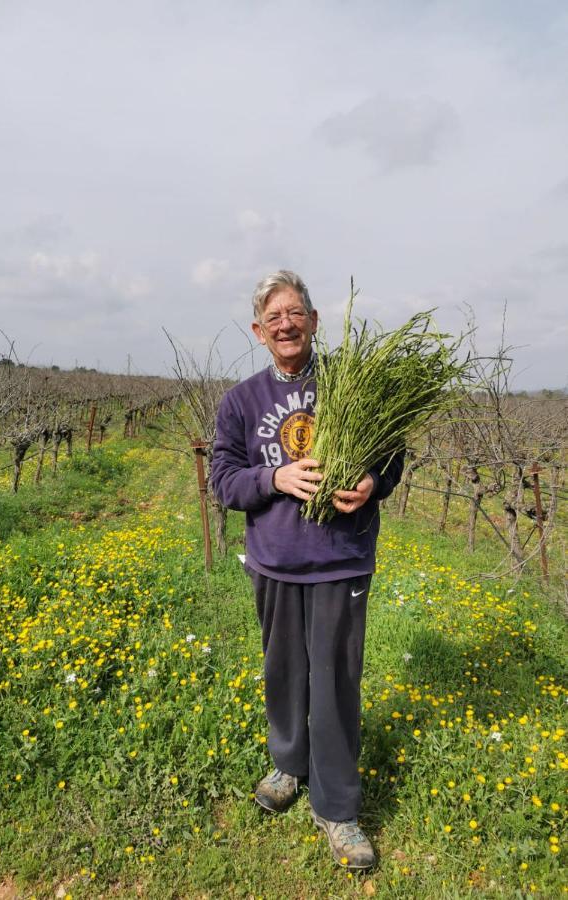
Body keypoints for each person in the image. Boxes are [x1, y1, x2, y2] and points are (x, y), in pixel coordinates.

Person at [210, 270, 404, 871]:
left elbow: (393, 454)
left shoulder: (351, 386)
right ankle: (289, 764)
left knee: (337, 681)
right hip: (274, 561)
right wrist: (275, 478)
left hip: (339, 560)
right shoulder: (241, 400)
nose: (286, 324)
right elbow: (223, 479)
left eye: (296, 313)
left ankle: (339, 809)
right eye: (274, 318)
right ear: (258, 332)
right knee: (284, 672)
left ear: (315, 321)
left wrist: (374, 482)